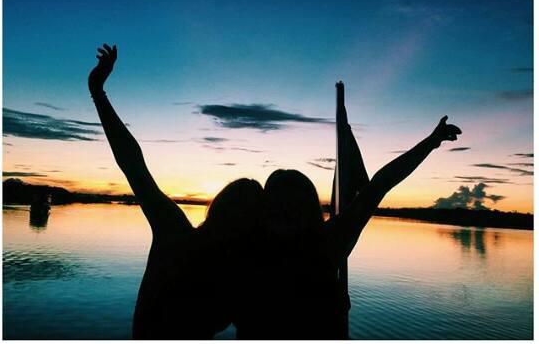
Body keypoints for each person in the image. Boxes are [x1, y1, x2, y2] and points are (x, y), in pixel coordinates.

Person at [235, 82, 462, 339]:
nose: (285, 212)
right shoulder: (320, 244)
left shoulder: (312, 244)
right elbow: (379, 184)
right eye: (280, 205)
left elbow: (380, 184)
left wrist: (431, 142)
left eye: (290, 205)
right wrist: (430, 142)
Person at [88, 44, 263, 339]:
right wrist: (97, 92)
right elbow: (132, 163)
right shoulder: (177, 234)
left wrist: (97, 91)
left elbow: (134, 165)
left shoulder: (238, 272)